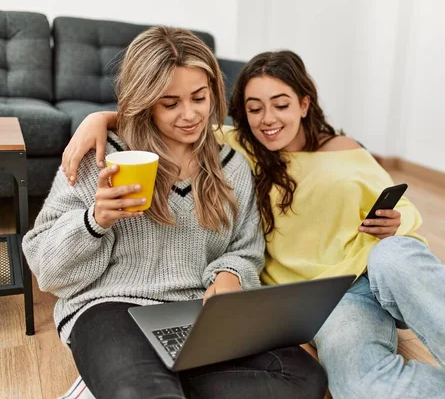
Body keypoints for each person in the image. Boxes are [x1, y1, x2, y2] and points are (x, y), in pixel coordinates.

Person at [61, 50, 445, 399]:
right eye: (253, 108)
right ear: (240, 115)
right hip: (321, 301)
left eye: (280, 104)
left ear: (304, 102)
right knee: (360, 388)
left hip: (374, 272)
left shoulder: (348, 150)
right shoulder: (234, 149)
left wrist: (392, 223)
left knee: (396, 254)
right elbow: (170, 118)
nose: (267, 119)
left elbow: (406, 221)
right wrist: (97, 118)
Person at [23, 29, 327, 399]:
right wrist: (94, 220)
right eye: (169, 104)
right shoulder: (103, 155)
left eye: (199, 98)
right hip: (112, 308)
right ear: (145, 100)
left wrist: (231, 273)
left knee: (304, 379)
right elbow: (47, 270)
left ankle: (122, 385)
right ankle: (133, 382)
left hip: (199, 312)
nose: (190, 115)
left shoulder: (231, 163)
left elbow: (246, 249)